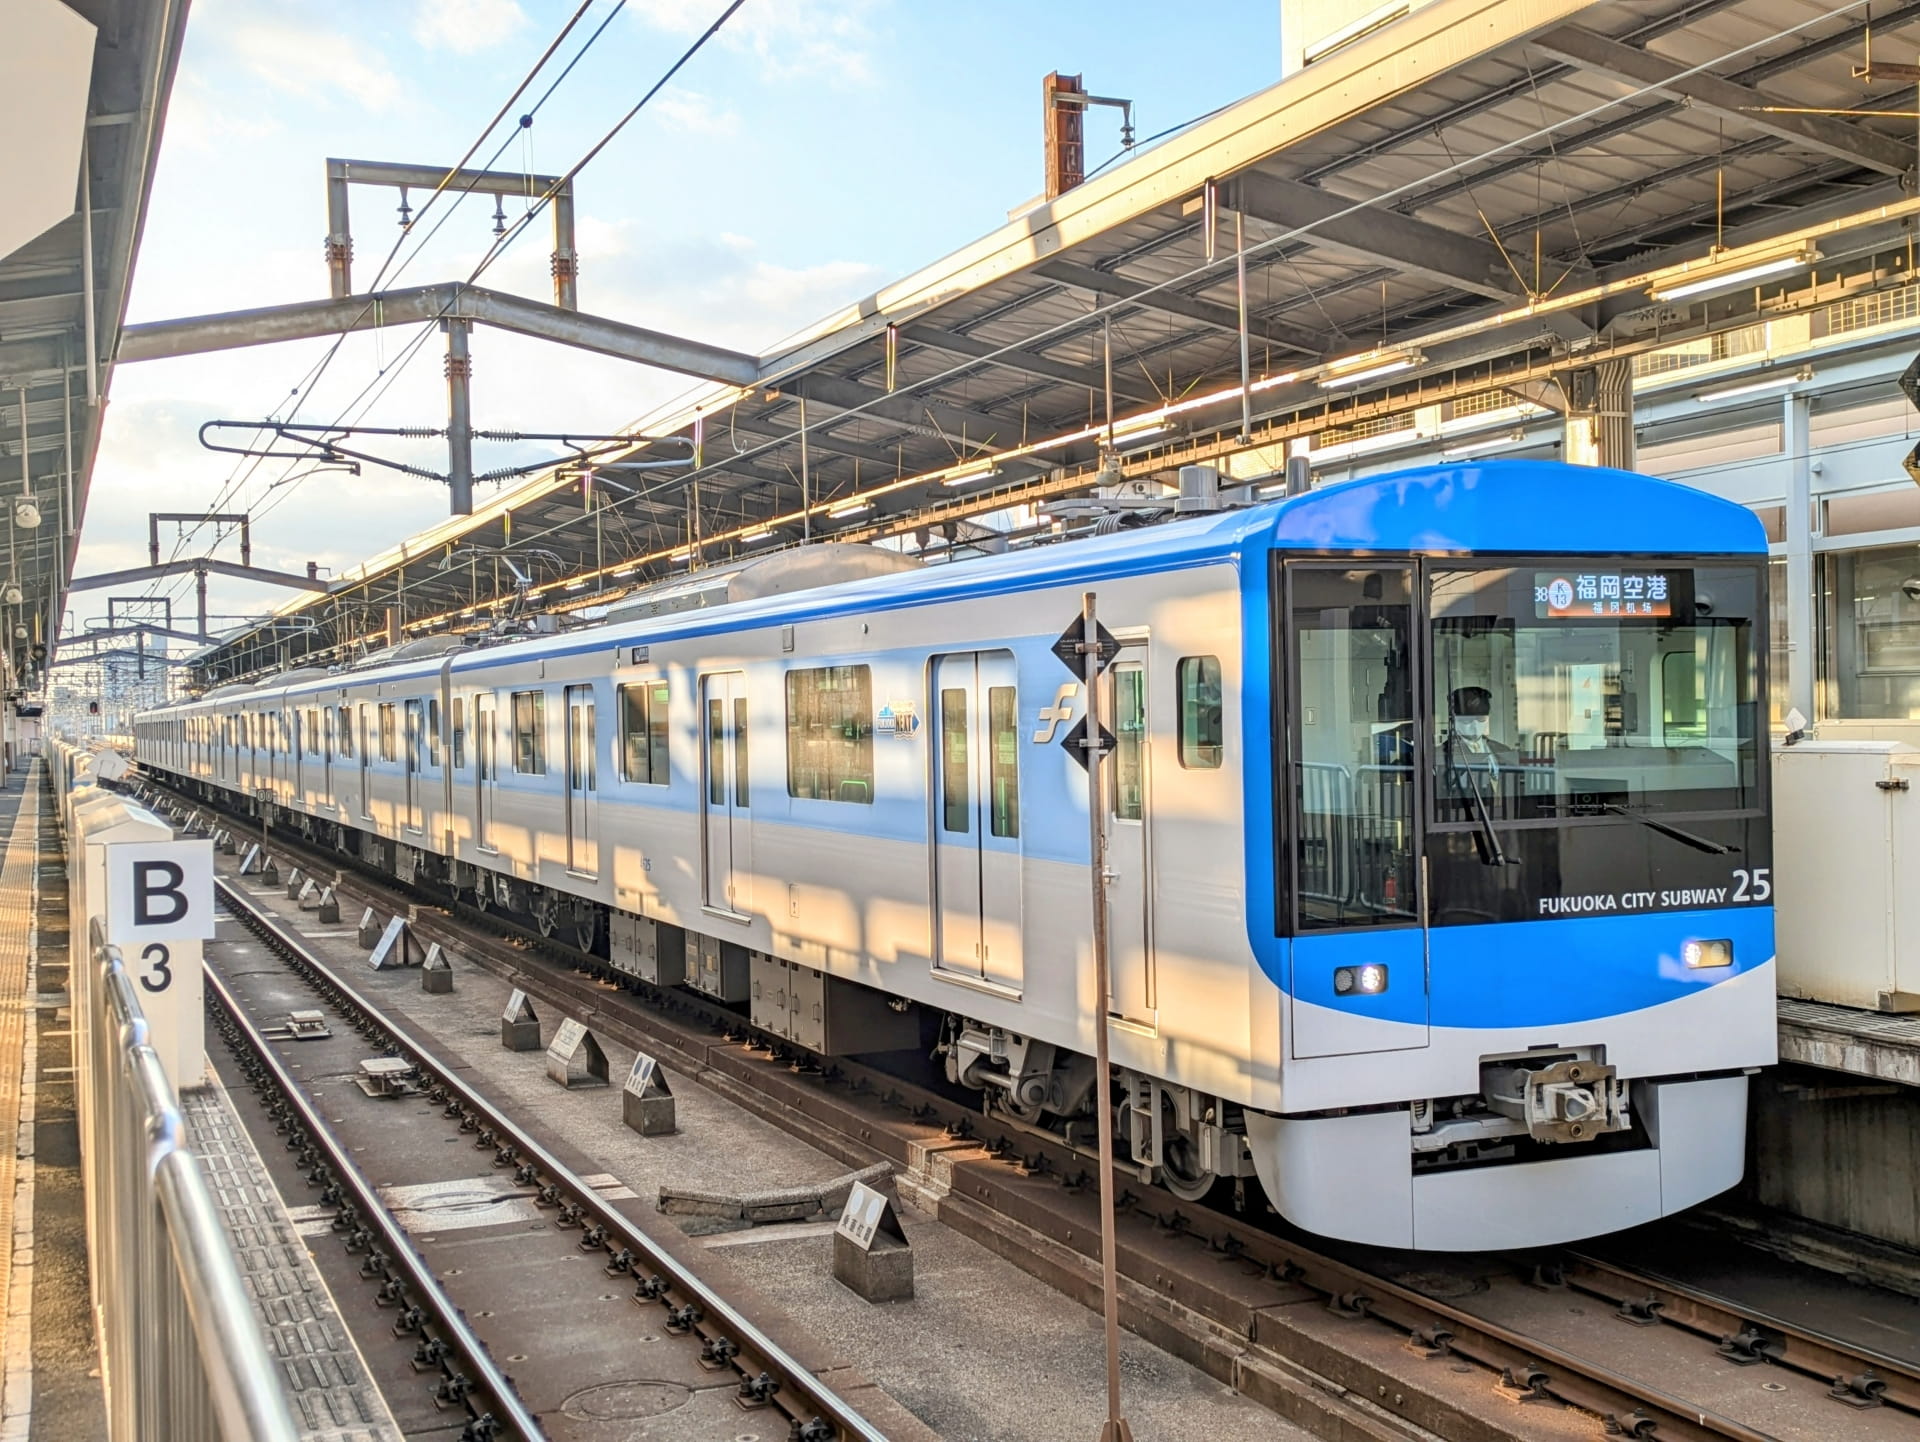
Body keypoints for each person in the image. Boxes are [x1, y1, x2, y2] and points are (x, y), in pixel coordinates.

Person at [1441, 685, 1519, 809]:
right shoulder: (1442, 755)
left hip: (1504, 820)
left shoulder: (1503, 751)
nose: (1475, 726)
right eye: (1467, 721)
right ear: (1453, 720)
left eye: (1481, 719)